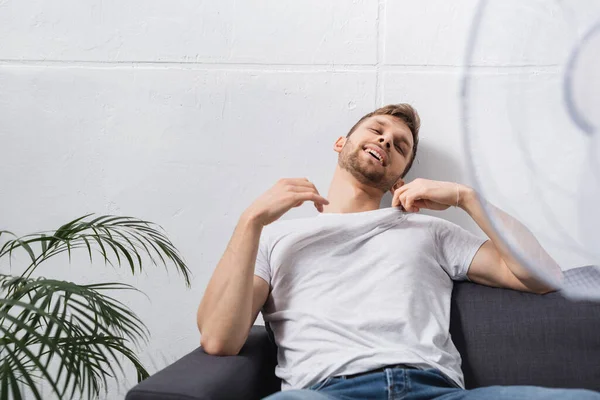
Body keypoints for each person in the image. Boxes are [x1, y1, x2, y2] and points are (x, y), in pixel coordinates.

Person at [196, 104, 599, 399]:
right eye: (376, 130)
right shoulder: (275, 238)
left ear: (399, 176)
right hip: (325, 392)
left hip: (435, 391)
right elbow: (218, 339)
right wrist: (251, 221)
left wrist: (466, 197)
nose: (385, 140)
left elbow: (546, 277)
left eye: (400, 145)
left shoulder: (429, 231)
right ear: (342, 142)